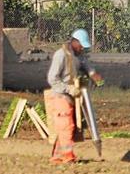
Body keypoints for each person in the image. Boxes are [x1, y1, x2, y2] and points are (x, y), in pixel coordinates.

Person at [44, 28, 103, 164]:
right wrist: (68, 89)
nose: (82, 47)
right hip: (60, 95)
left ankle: (57, 156)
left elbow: (88, 67)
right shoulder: (61, 55)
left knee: (70, 128)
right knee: (66, 125)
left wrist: (95, 77)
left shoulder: (79, 55)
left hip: (73, 97)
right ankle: (67, 155)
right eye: (81, 44)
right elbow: (52, 79)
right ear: (74, 41)